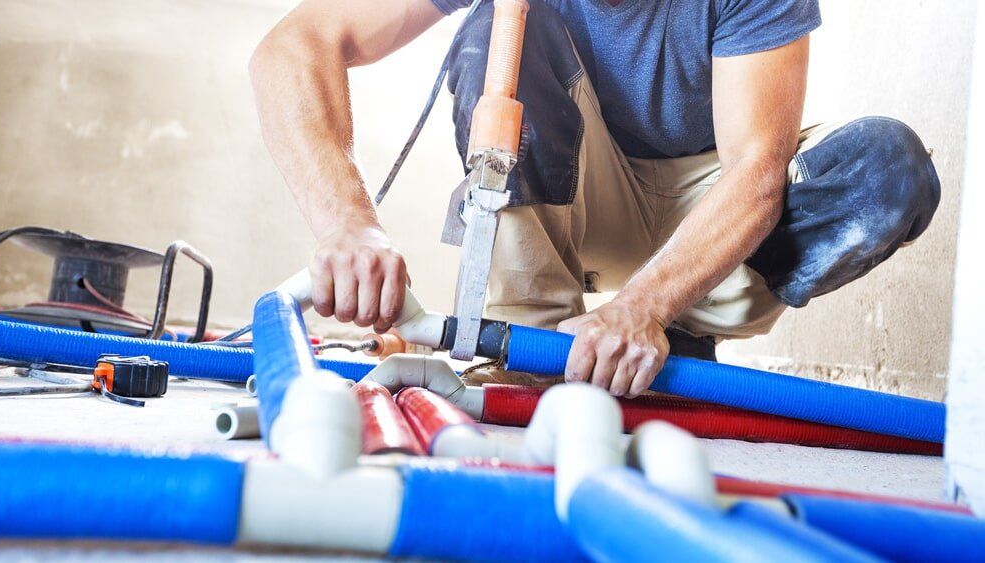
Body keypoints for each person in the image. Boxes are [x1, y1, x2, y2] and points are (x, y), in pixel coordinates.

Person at [248, 0, 940, 398]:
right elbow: (294, 47)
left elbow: (756, 169)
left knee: (886, 171)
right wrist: (349, 224)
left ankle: (674, 328)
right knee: (498, 37)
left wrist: (644, 308)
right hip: (587, 191)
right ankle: (534, 350)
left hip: (716, 212)